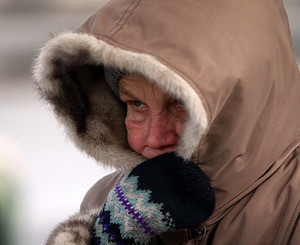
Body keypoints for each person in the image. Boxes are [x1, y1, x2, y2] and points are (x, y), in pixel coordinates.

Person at [33, 0, 300, 244]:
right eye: (136, 104)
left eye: (181, 105)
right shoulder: (108, 205)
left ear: (242, 103)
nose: (153, 139)